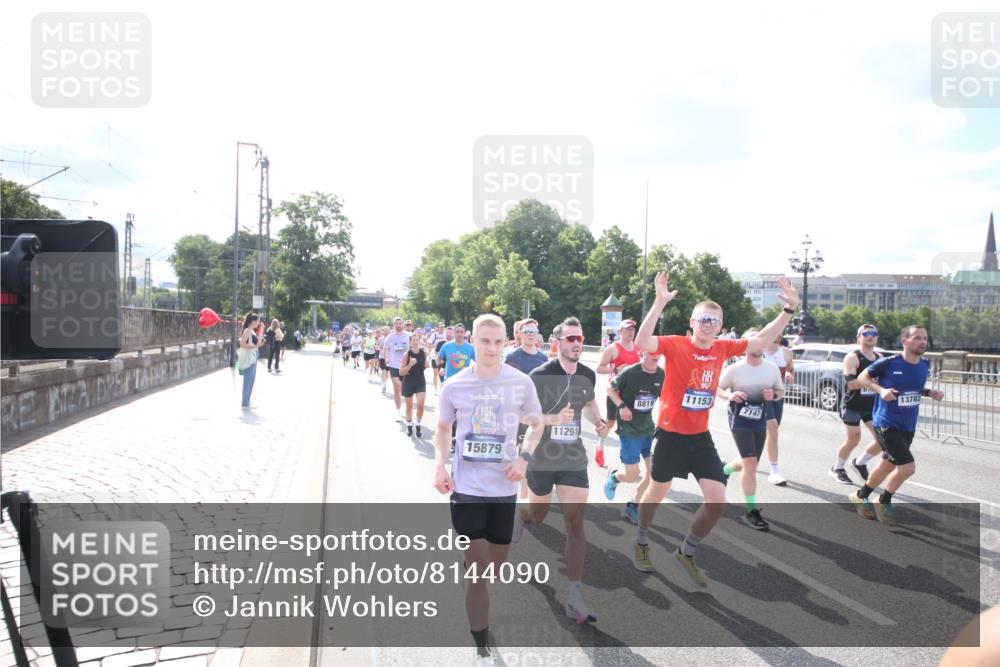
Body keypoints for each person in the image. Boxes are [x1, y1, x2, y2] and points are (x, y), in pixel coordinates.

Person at [631, 271, 800, 583]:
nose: (708, 325)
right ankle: (641, 541)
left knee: (717, 503)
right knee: (656, 492)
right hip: (669, 436)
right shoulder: (676, 344)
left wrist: (789, 310)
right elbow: (642, 342)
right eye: (703, 319)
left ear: (721, 326)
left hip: (699, 438)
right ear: (693, 322)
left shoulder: (722, 348)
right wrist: (659, 302)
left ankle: (685, 552)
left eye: (714, 321)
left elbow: (762, 340)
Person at [433, 314, 544, 667]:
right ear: (473, 341)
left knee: (494, 567)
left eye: (497, 342)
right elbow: (443, 428)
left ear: (506, 342)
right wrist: (439, 464)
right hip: (466, 487)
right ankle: (481, 644)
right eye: (484, 341)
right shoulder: (455, 385)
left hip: (503, 488)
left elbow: (537, 424)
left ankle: (471, 563)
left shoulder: (521, 383)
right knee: (479, 570)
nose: (492, 348)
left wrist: (524, 459)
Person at [521, 317, 609, 624]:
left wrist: (598, 421)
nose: (576, 343)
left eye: (579, 338)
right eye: (570, 339)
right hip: (542, 456)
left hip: (572, 457)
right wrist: (553, 419)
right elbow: (524, 418)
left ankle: (574, 597)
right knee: (538, 515)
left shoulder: (586, 374)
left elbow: (590, 403)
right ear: (557, 343)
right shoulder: (539, 375)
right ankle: (521, 515)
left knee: (575, 522)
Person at [849, 325, 944, 526]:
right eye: (917, 337)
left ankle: (860, 495)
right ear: (904, 341)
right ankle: (883, 500)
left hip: (907, 424)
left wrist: (929, 393)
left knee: (888, 464)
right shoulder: (889, 362)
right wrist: (881, 390)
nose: (922, 341)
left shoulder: (924, 364)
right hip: (886, 423)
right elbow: (862, 377)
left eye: (925, 338)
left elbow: (915, 388)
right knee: (908, 467)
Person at [716, 328, 784, 530]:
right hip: (739, 420)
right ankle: (751, 510)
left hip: (759, 419)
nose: (756, 344)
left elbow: (780, 392)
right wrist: (730, 395)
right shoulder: (735, 369)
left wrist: (773, 395)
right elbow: (717, 388)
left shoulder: (771, 368)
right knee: (751, 463)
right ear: (744, 345)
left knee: (750, 463)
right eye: (751, 340)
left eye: (759, 340)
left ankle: (724, 470)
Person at [604, 348, 663, 525]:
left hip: (648, 429)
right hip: (629, 430)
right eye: (651, 352)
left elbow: (665, 399)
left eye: (658, 352)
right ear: (642, 353)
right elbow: (609, 389)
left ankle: (633, 506)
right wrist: (622, 406)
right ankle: (615, 476)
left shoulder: (661, 374)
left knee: (654, 473)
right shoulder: (630, 372)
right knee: (632, 475)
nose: (655, 355)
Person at [830, 324, 884, 484]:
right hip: (853, 405)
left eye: (873, 333)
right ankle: (837, 468)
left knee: (883, 439)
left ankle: (860, 463)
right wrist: (871, 381)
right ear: (858, 338)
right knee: (854, 438)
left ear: (877, 337)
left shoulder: (879, 357)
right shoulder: (853, 357)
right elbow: (851, 384)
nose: (870, 336)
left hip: (871, 406)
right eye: (866, 334)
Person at [595, 319, 641, 467]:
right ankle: (600, 445)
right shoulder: (612, 349)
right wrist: (615, 369)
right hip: (615, 392)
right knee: (610, 422)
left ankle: (629, 459)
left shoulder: (638, 347)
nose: (631, 332)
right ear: (620, 331)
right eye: (627, 329)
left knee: (631, 423)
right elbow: (599, 368)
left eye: (632, 329)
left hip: (632, 393)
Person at [761, 335, 795, 485]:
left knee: (770, 432)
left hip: (777, 396)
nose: (777, 336)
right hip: (760, 395)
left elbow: (791, 369)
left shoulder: (786, 352)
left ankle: (745, 458)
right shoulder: (759, 349)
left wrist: (789, 374)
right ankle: (774, 470)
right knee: (773, 428)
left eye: (780, 333)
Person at [399, 331, 428, 437]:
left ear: (419, 341)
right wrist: (410, 364)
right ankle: (409, 425)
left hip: (420, 381)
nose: (415, 342)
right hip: (409, 381)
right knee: (409, 406)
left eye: (417, 340)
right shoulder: (407, 355)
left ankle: (418, 424)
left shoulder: (424, 353)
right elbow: (401, 372)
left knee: (421, 405)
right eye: (413, 340)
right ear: (410, 342)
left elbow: (424, 366)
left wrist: (426, 364)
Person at [384, 317, 412, 420]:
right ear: (394, 325)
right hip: (393, 365)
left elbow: (414, 347)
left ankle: (403, 406)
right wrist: (386, 358)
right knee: (397, 388)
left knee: (404, 389)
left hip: (405, 365)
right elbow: (385, 348)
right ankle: (398, 411)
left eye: (400, 323)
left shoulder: (409, 336)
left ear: (403, 324)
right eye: (397, 323)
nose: (398, 325)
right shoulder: (390, 337)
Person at [239, 312, 265, 409]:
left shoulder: (252, 331)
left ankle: (247, 401)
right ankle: (244, 403)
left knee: (251, 380)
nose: (258, 323)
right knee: (248, 381)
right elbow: (242, 344)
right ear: (253, 321)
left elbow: (257, 342)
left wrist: (261, 330)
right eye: (258, 321)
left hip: (253, 357)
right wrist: (255, 346)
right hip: (250, 358)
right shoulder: (247, 331)